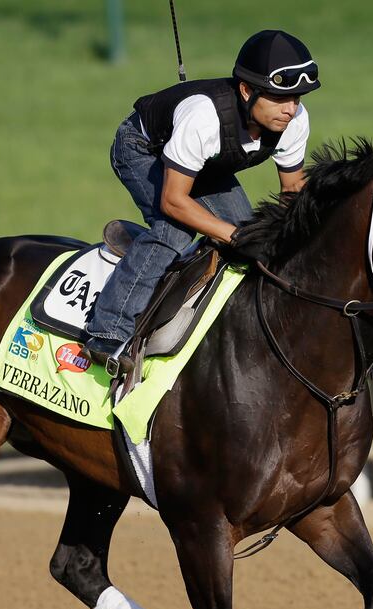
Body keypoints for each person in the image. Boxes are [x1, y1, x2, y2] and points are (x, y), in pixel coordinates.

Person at [83, 29, 321, 371]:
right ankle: (108, 329)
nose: (291, 109)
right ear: (246, 91)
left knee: (249, 234)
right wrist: (235, 236)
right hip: (141, 149)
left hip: (204, 165)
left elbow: (292, 193)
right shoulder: (203, 117)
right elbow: (173, 201)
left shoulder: (295, 121)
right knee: (175, 230)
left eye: (297, 98)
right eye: (280, 98)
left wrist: (286, 239)